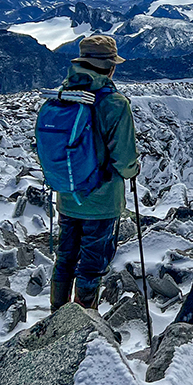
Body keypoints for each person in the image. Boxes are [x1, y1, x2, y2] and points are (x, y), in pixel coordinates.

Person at [49, 35, 140, 311]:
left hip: (68, 194)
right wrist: (134, 169)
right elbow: (124, 161)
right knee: (91, 265)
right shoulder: (114, 103)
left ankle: (57, 316)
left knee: (64, 259)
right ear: (110, 67)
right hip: (101, 202)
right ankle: (82, 323)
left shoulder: (64, 96)